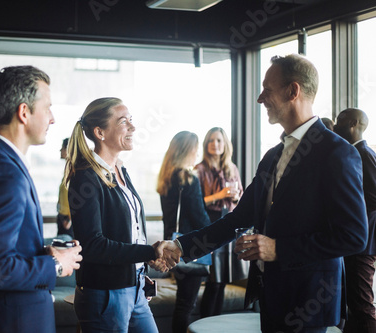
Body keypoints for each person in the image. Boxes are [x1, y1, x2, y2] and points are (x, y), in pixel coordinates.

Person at [155, 54, 368, 332]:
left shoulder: (338, 154)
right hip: (269, 298)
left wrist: (278, 249)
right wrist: (181, 247)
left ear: (293, 91)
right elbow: (237, 219)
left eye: (267, 88)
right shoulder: (272, 156)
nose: (260, 98)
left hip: (310, 302)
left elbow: (354, 236)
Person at [0, 66, 83, 333]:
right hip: (11, 322)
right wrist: (56, 265)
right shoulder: (4, 172)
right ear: (24, 112)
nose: (52, 118)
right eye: (47, 107)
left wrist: (45, 253)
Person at [65, 97, 163, 333]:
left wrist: (139, 271)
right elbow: (93, 245)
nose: (132, 127)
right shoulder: (86, 177)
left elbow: (131, 234)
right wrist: (150, 253)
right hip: (105, 294)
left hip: (135, 286)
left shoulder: (121, 171)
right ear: (100, 132)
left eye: (131, 120)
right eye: (123, 122)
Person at [156, 131, 212, 333]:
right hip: (189, 247)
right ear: (187, 150)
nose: (197, 153)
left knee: (182, 302)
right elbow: (200, 217)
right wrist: (214, 236)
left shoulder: (167, 177)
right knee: (186, 305)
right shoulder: (188, 178)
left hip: (171, 245)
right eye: (195, 149)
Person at [194, 127, 247, 317]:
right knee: (213, 281)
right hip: (210, 223)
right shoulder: (199, 170)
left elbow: (240, 197)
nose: (215, 145)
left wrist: (234, 198)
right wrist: (219, 195)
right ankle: (204, 325)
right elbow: (197, 202)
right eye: (211, 141)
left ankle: (215, 324)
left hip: (229, 223)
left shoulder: (232, 168)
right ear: (206, 145)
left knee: (223, 279)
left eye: (218, 141)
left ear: (225, 145)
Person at [334, 108, 376, 333]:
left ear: (352, 123)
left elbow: (373, 197)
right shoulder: (357, 153)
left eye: (339, 120)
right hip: (358, 241)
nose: (335, 125)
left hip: (365, 241)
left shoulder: (363, 154)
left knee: (362, 305)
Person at [56, 137, 74, 237]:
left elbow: (77, 195)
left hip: (67, 220)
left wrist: (69, 220)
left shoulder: (74, 171)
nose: (60, 150)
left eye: (62, 147)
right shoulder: (67, 170)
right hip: (62, 217)